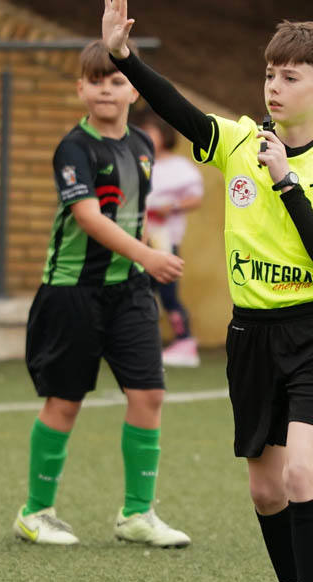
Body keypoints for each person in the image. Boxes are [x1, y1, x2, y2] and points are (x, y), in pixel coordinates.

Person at [102, 0, 313, 582]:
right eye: (270, 74)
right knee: (265, 491)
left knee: (304, 471)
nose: (274, 87)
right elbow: (179, 111)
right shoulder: (241, 140)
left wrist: (287, 183)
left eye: (290, 77)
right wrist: (125, 58)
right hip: (251, 336)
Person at [13, 40, 192, 549]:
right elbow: (89, 218)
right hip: (73, 292)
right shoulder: (74, 148)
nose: (106, 90)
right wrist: (148, 255)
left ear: (133, 89)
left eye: (115, 82)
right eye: (95, 82)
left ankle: (136, 514)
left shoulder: (143, 143)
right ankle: (35, 511)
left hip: (129, 291)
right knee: (65, 402)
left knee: (149, 394)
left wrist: (151, 251)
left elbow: (134, 211)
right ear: (80, 89)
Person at [133, 106, 204, 368]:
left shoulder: (179, 167)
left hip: (164, 239)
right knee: (141, 290)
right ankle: (141, 342)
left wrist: (171, 207)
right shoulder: (136, 163)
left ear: (163, 133)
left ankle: (184, 342)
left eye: (149, 132)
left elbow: (195, 198)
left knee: (168, 291)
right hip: (138, 240)